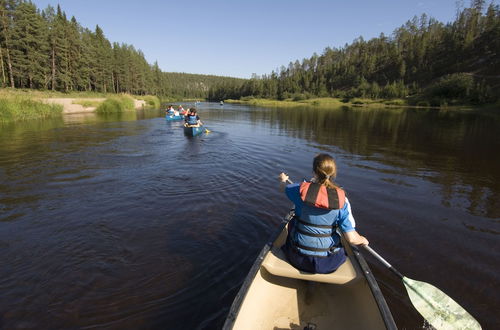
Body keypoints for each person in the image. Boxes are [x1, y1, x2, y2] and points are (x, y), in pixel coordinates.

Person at [278, 153, 368, 274]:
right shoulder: (342, 201)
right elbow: (351, 239)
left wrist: (283, 181)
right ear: (334, 173)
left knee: (294, 220)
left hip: (298, 258)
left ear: (314, 171)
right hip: (328, 263)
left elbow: (283, 188)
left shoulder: (298, 191)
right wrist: (363, 240)